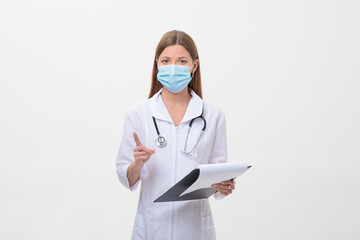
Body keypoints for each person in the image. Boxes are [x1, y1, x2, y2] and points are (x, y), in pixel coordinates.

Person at [116, 30, 236, 240]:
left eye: (181, 61)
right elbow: (125, 176)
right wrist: (138, 164)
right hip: (151, 227)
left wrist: (223, 186)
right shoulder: (138, 114)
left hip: (195, 228)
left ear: (194, 66)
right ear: (157, 65)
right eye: (166, 60)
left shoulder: (213, 115)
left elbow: (218, 175)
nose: (173, 67)